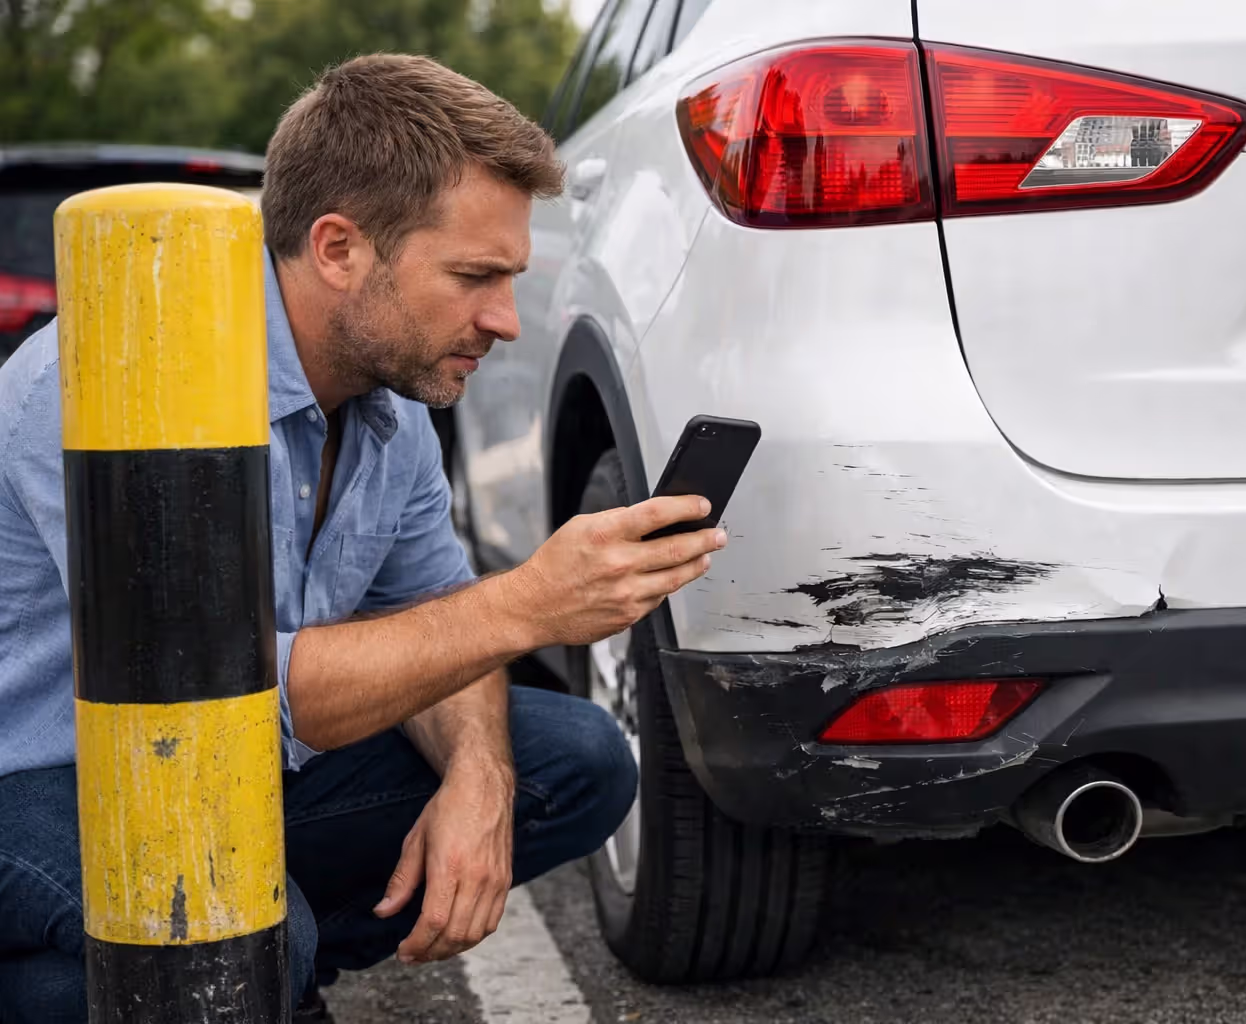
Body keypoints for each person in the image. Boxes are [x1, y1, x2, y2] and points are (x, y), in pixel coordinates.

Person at [0, 54, 725, 1022]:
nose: (505, 321)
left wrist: (477, 773)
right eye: (475, 276)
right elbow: (227, 692)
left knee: (578, 762)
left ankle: (270, 978)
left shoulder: (394, 415)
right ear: (337, 249)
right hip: (44, 781)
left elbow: (436, 613)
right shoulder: (120, 382)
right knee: (237, 931)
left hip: (235, 771)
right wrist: (529, 604)